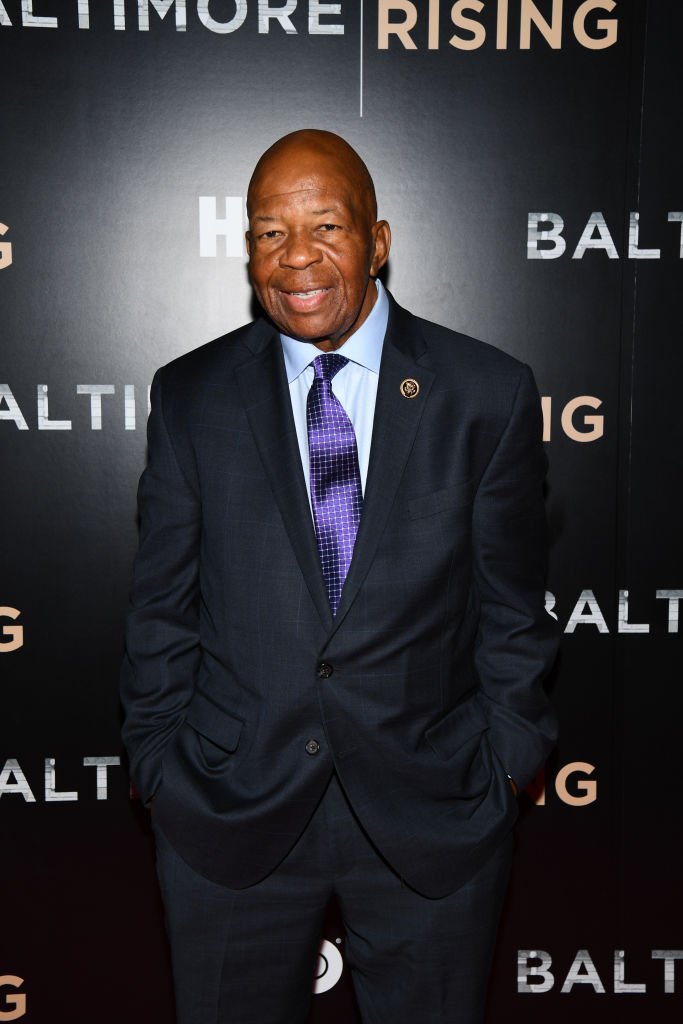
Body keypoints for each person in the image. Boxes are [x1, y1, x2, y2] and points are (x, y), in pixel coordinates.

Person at [121, 129, 558, 1024]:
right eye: (270, 233)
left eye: (326, 225)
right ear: (247, 249)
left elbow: (512, 609)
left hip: (431, 810)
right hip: (228, 808)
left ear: (378, 240)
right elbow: (161, 605)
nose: (298, 258)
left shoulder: (486, 392)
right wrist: (159, 766)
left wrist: (504, 767)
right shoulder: (191, 394)